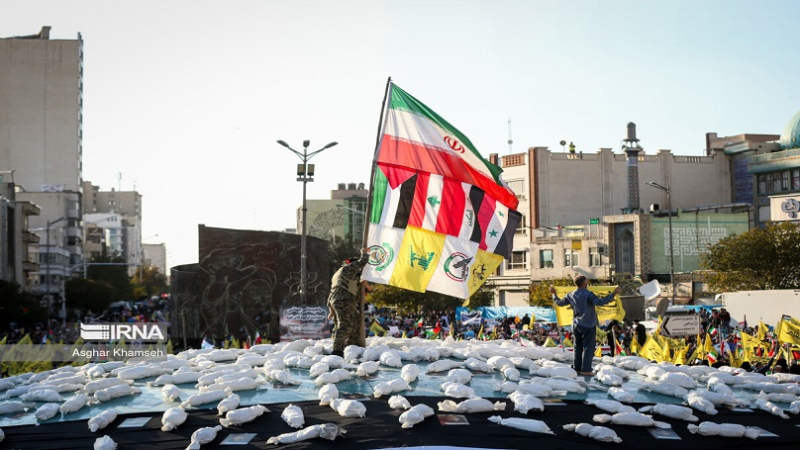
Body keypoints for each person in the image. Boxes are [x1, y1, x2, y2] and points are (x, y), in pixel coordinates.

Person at [551, 276, 621, 376]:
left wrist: (554, 294)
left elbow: (559, 303)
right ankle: (586, 369)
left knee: (577, 347)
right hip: (588, 324)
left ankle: (577, 368)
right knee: (588, 348)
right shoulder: (588, 294)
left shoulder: (570, 294)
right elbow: (599, 302)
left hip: (576, 325)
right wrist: (613, 293)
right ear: (584, 284)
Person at [328, 247, 370, 357]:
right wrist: (364, 253)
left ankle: (352, 346)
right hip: (344, 300)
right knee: (345, 325)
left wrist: (330, 308)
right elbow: (362, 261)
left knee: (353, 324)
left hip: (339, 300)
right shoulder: (348, 268)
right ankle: (337, 350)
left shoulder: (340, 273)